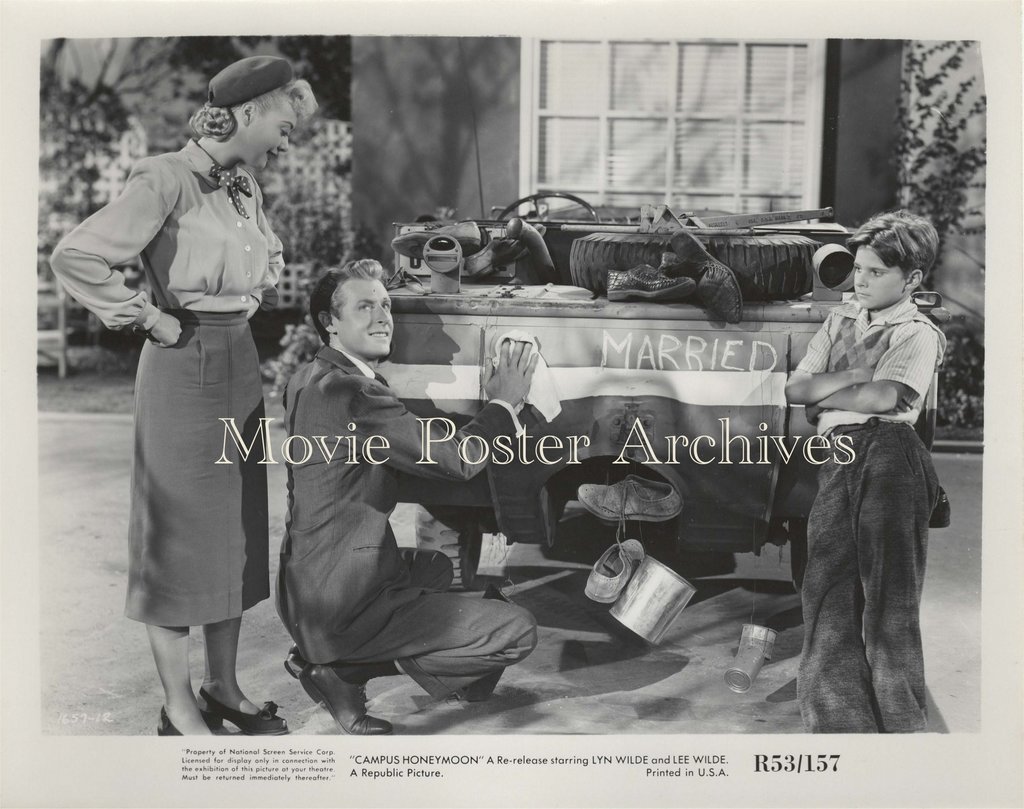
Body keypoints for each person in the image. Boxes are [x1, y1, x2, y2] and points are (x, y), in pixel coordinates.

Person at [49, 56, 318, 736]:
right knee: (177, 537)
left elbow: (261, 255)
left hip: (239, 360)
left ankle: (222, 687)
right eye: (285, 126)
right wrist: (145, 315)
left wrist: (258, 276)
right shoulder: (164, 177)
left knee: (234, 531)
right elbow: (76, 255)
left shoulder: (243, 184)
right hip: (180, 361)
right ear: (249, 112)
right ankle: (177, 706)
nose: (288, 141)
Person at [277, 259, 540, 735]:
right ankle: (345, 671)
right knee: (515, 628)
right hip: (341, 604)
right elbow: (459, 461)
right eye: (365, 307)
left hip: (306, 589)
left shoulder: (309, 378)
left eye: (386, 305)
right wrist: (504, 403)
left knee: (435, 568)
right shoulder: (354, 393)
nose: (383, 318)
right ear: (330, 322)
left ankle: (336, 652)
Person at [784, 210, 946, 733]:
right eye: (858, 268)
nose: (862, 280)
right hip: (839, 454)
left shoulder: (917, 332)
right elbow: (795, 389)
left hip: (891, 453)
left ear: (912, 279)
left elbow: (882, 398)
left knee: (889, 597)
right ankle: (839, 722)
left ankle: (901, 723)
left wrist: (829, 390)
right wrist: (855, 373)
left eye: (877, 272)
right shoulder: (840, 320)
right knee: (826, 585)